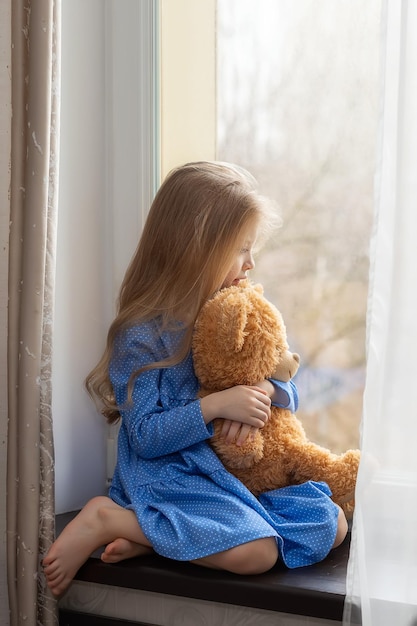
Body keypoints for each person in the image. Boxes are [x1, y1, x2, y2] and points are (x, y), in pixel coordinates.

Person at [43, 161, 348, 597]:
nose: (252, 262)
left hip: (228, 479)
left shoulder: (229, 313)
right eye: (241, 249)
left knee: (330, 520)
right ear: (197, 249)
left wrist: (262, 392)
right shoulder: (142, 336)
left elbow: (288, 383)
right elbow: (145, 436)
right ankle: (107, 518)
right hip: (172, 481)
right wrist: (217, 407)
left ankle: (155, 541)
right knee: (257, 553)